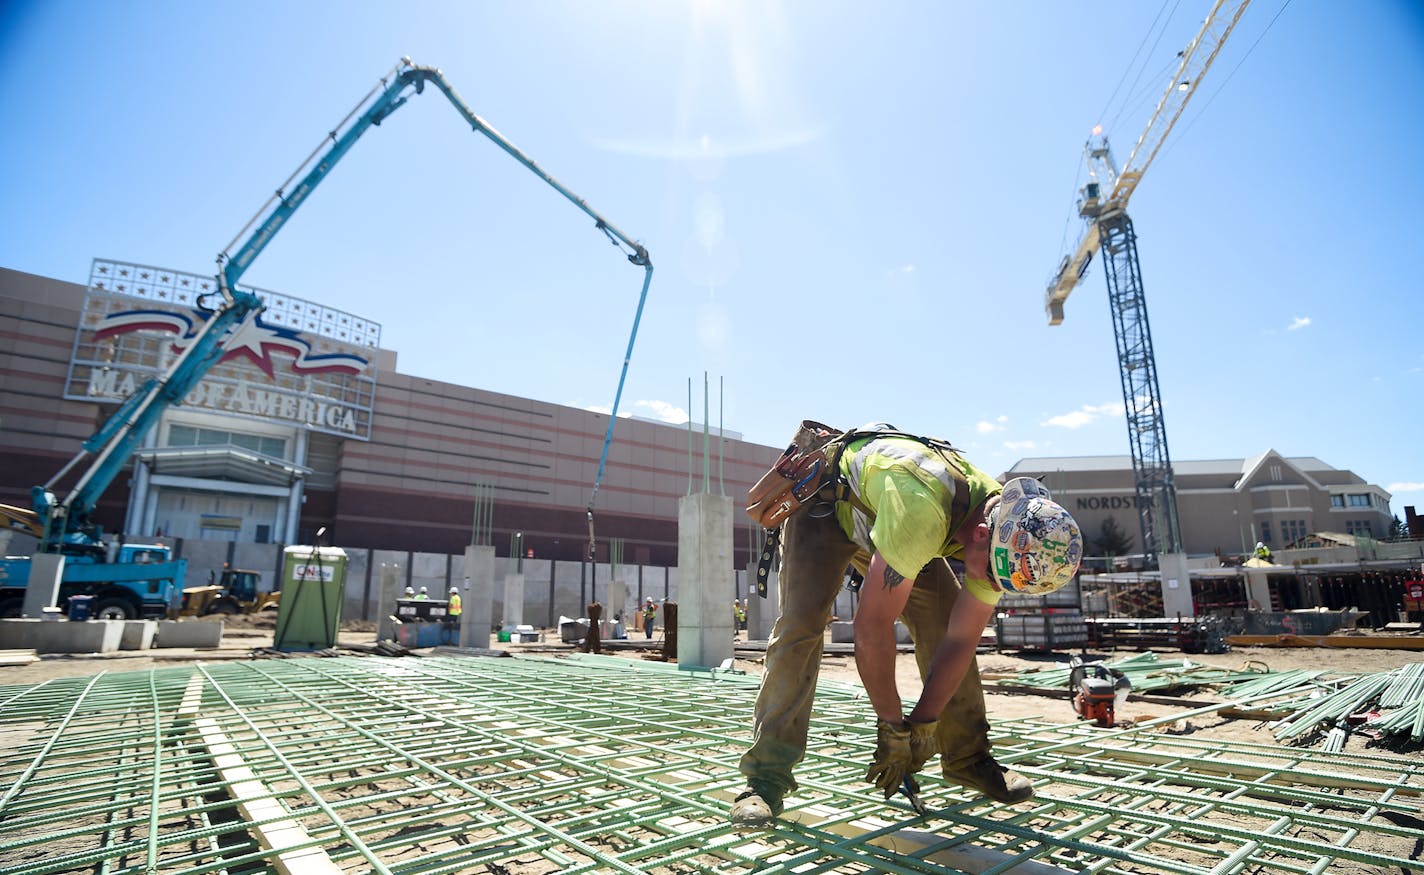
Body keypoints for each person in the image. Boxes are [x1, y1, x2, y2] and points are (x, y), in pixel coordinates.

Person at [731, 424, 1083, 827]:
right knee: (800, 629)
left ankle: (967, 758)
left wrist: (926, 721)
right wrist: (893, 726)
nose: (985, 586)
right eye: (988, 576)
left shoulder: (1005, 532)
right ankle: (766, 780)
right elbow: (872, 628)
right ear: (981, 536)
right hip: (827, 507)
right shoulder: (922, 514)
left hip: (891, 516)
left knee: (943, 622)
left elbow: (962, 638)